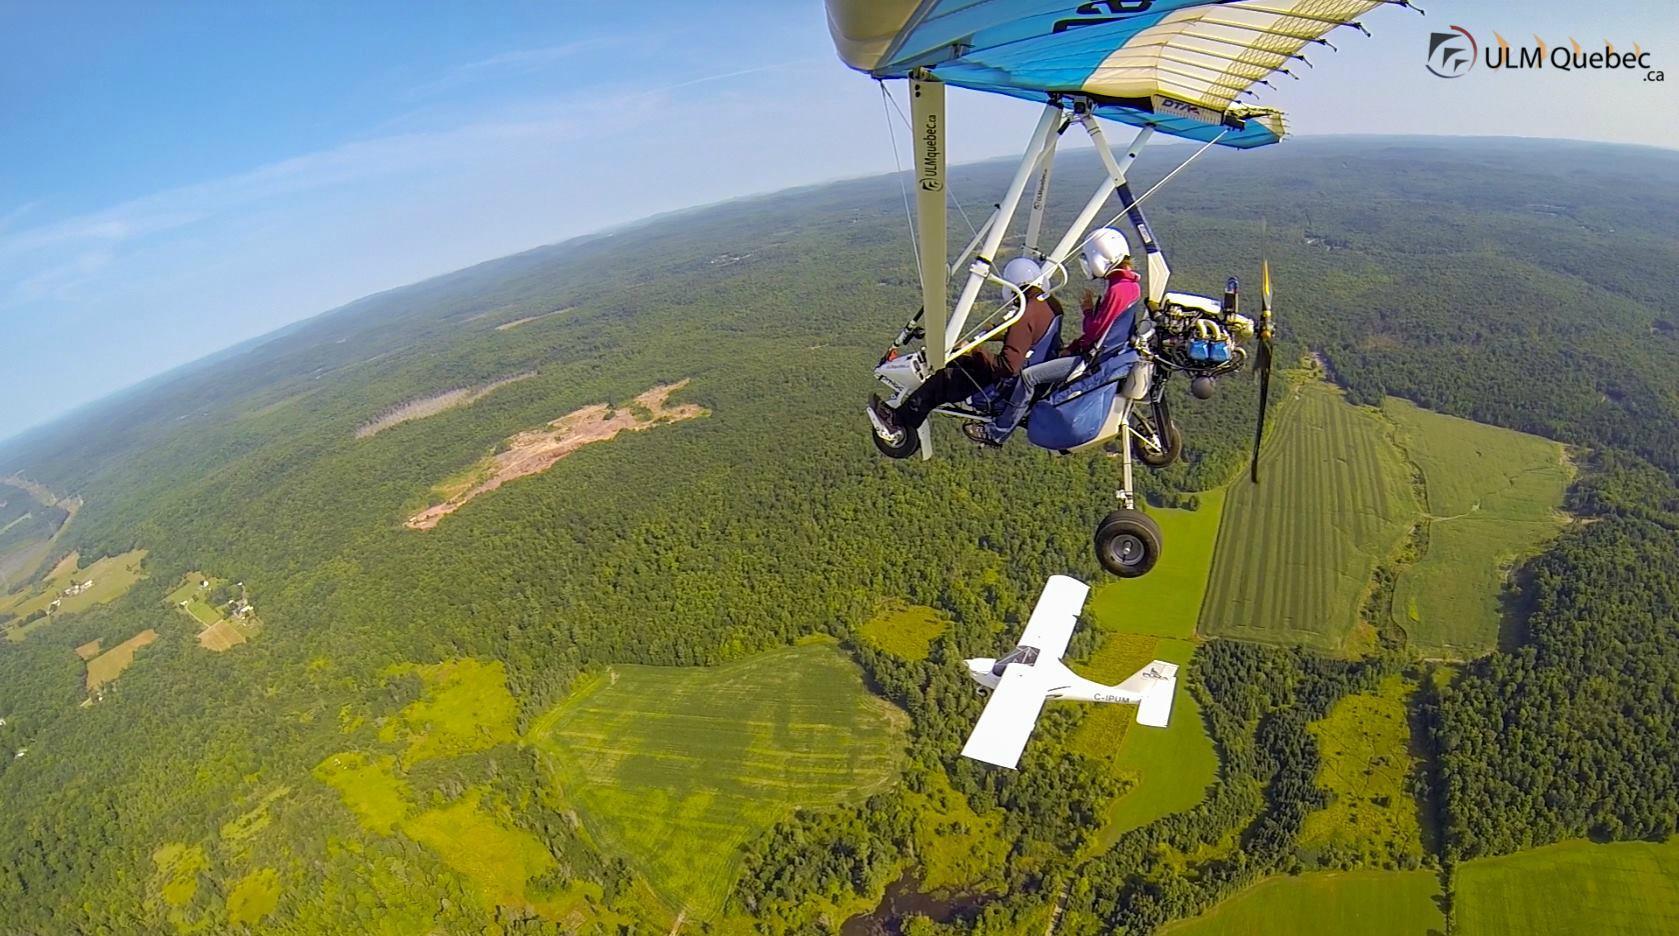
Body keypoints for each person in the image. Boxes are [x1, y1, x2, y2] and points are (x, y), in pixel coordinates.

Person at [964, 228, 1141, 446]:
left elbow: (1096, 331)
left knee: (1029, 377)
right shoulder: (1130, 285)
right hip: (1108, 355)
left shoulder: (1117, 290)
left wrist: (1087, 313)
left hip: (1093, 359)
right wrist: (1073, 346)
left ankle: (997, 432)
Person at [869, 257, 1062, 451]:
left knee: (943, 380)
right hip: (1031, 375)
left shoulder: (1025, 315)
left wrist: (974, 350)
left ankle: (900, 422)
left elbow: (1009, 367)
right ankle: (915, 400)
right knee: (959, 358)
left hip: (1006, 387)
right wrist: (995, 334)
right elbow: (1032, 336)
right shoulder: (1049, 305)